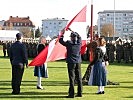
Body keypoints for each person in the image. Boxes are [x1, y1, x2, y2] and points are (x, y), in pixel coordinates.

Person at [59, 28, 82, 98]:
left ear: (71, 38)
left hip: (71, 62)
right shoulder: (79, 43)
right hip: (78, 62)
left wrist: (62, 33)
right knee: (79, 78)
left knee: (72, 78)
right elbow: (79, 37)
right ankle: (80, 93)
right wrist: (72, 30)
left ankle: (71, 94)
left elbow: (61, 41)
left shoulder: (69, 44)